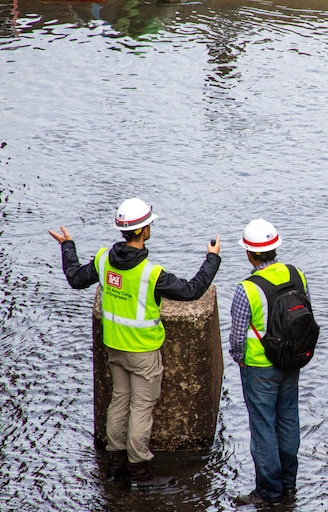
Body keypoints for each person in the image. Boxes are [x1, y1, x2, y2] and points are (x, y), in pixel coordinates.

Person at [48, 197, 221, 490]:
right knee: (141, 408)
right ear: (143, 231)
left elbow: (76, 279)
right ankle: (140, 473)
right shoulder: (151, 274)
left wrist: (68, 246)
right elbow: (192, 290)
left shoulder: (103, 259)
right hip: (143, 351)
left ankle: (115, 466)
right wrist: (212, 258)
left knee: (119, 401)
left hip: (114, 347)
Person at [230, 218, 312, 506]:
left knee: (263, 427)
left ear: (249, 254)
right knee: (289, 421)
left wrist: (240, 361)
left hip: (259, 367)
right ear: (275, 248)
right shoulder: (297, 274)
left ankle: (269, 491)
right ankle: (289, 485)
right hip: (291, 362)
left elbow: (238, 338)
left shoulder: (247, 289)